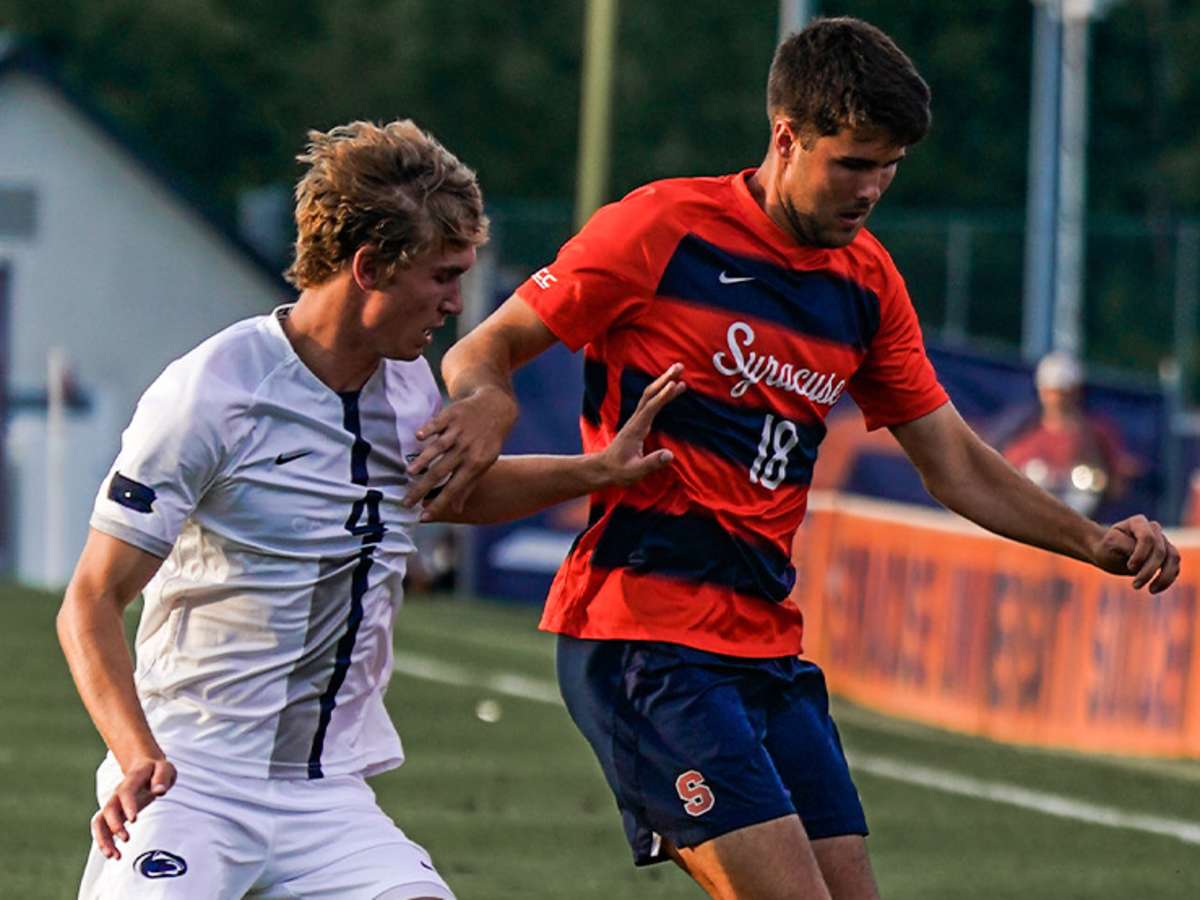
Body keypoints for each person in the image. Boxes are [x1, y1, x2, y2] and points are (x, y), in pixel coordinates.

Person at [404, 18, 1181, 900]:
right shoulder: (664, 227)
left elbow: (954, 463)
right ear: (786, 137)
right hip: (643, 637)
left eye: (889, 166)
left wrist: (1091, 541)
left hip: (767, 647)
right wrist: (489, 402)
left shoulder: (867, 281)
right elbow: (485, 349)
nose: (873, 188)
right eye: (852, 163)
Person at [56, 119, 684, 900]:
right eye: (444, 275)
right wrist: (135, 752)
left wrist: (596, 471)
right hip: (191, 777)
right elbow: (89, 600)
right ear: (369, 268)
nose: (457, 303)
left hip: (326, 796)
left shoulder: (408, 386)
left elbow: (453, 495)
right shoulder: (211, 392)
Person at [1001, 351, 1138, 517]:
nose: (1056, 399)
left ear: (1076, 391)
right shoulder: (1021, 431)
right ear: (1041, 391)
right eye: (1051, 391)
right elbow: (1003, 473)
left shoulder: (1098, 434)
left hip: (1086, 525)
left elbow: (1118, 484)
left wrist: (1104, 480)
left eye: (1062, 391)